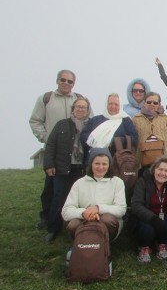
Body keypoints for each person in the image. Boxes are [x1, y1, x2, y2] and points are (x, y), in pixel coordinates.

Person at [30, 69, 88, 230]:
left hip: (76, 154)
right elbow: (35, 121)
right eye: (63, 80)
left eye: (70, 81)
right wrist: (47, 138)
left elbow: (88, 123)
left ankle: (70, 220)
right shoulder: (47, 99)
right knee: (51, 189)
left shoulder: (78, 99)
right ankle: (47, 218)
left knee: (72, 190)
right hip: (55, 150)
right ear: (57, 80)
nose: (66, 83)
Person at [42, 97, 91, 242]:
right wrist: (49, 165)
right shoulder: (62, 125)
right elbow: (51, 145)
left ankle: (77, 228)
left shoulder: (91, 126)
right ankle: (53, 229)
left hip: (81, 169)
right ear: (73, 109)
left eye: (84, 107)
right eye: (78, 107)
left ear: (88, 110)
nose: (81, 109)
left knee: (79, 200)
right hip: (63, 168)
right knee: (59, 198)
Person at [61, 148, 127, 241]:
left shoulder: (117, 182)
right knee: (73, 225)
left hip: (105, 219)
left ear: (109, 165)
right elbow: (66, 211)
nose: (100, 167)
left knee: (108, 220)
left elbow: (121, 209)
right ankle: (81, 246)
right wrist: (84, 213)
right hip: (84, 219)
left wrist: (98, 208)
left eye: (104, 164)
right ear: (91, 164)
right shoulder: (79, 183)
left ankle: (104, 247)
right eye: (97, 163)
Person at [130, 156, 167, 263]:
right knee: (147, 229)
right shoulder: (142, 181)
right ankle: (145, 247)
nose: (162, 173)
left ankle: (163, 244)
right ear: (154, 169)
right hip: (147, 219)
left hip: (165, 219)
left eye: (166, 171)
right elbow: (136, 205)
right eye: (160, 169)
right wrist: (154, 219)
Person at [81, 93, 138, 159]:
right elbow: (83, 136)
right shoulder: (95, 120)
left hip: (117, 161)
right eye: (110, 104)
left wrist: (115, 141)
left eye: (116, 104)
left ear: (120, 106)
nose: (113, 106)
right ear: (106, 104)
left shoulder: (126, 121)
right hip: (95, 160)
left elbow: (134, 139)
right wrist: (97, 140)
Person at [132, 92, 167, 171]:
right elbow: (131, 140)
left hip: (163, 163)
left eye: (155, 102)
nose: (152, 104)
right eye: (149, 102)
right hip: (142, 164)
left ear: (159, 104)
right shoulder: (136, 119)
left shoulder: (165, 118)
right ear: (144, 103)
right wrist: (135, 157)